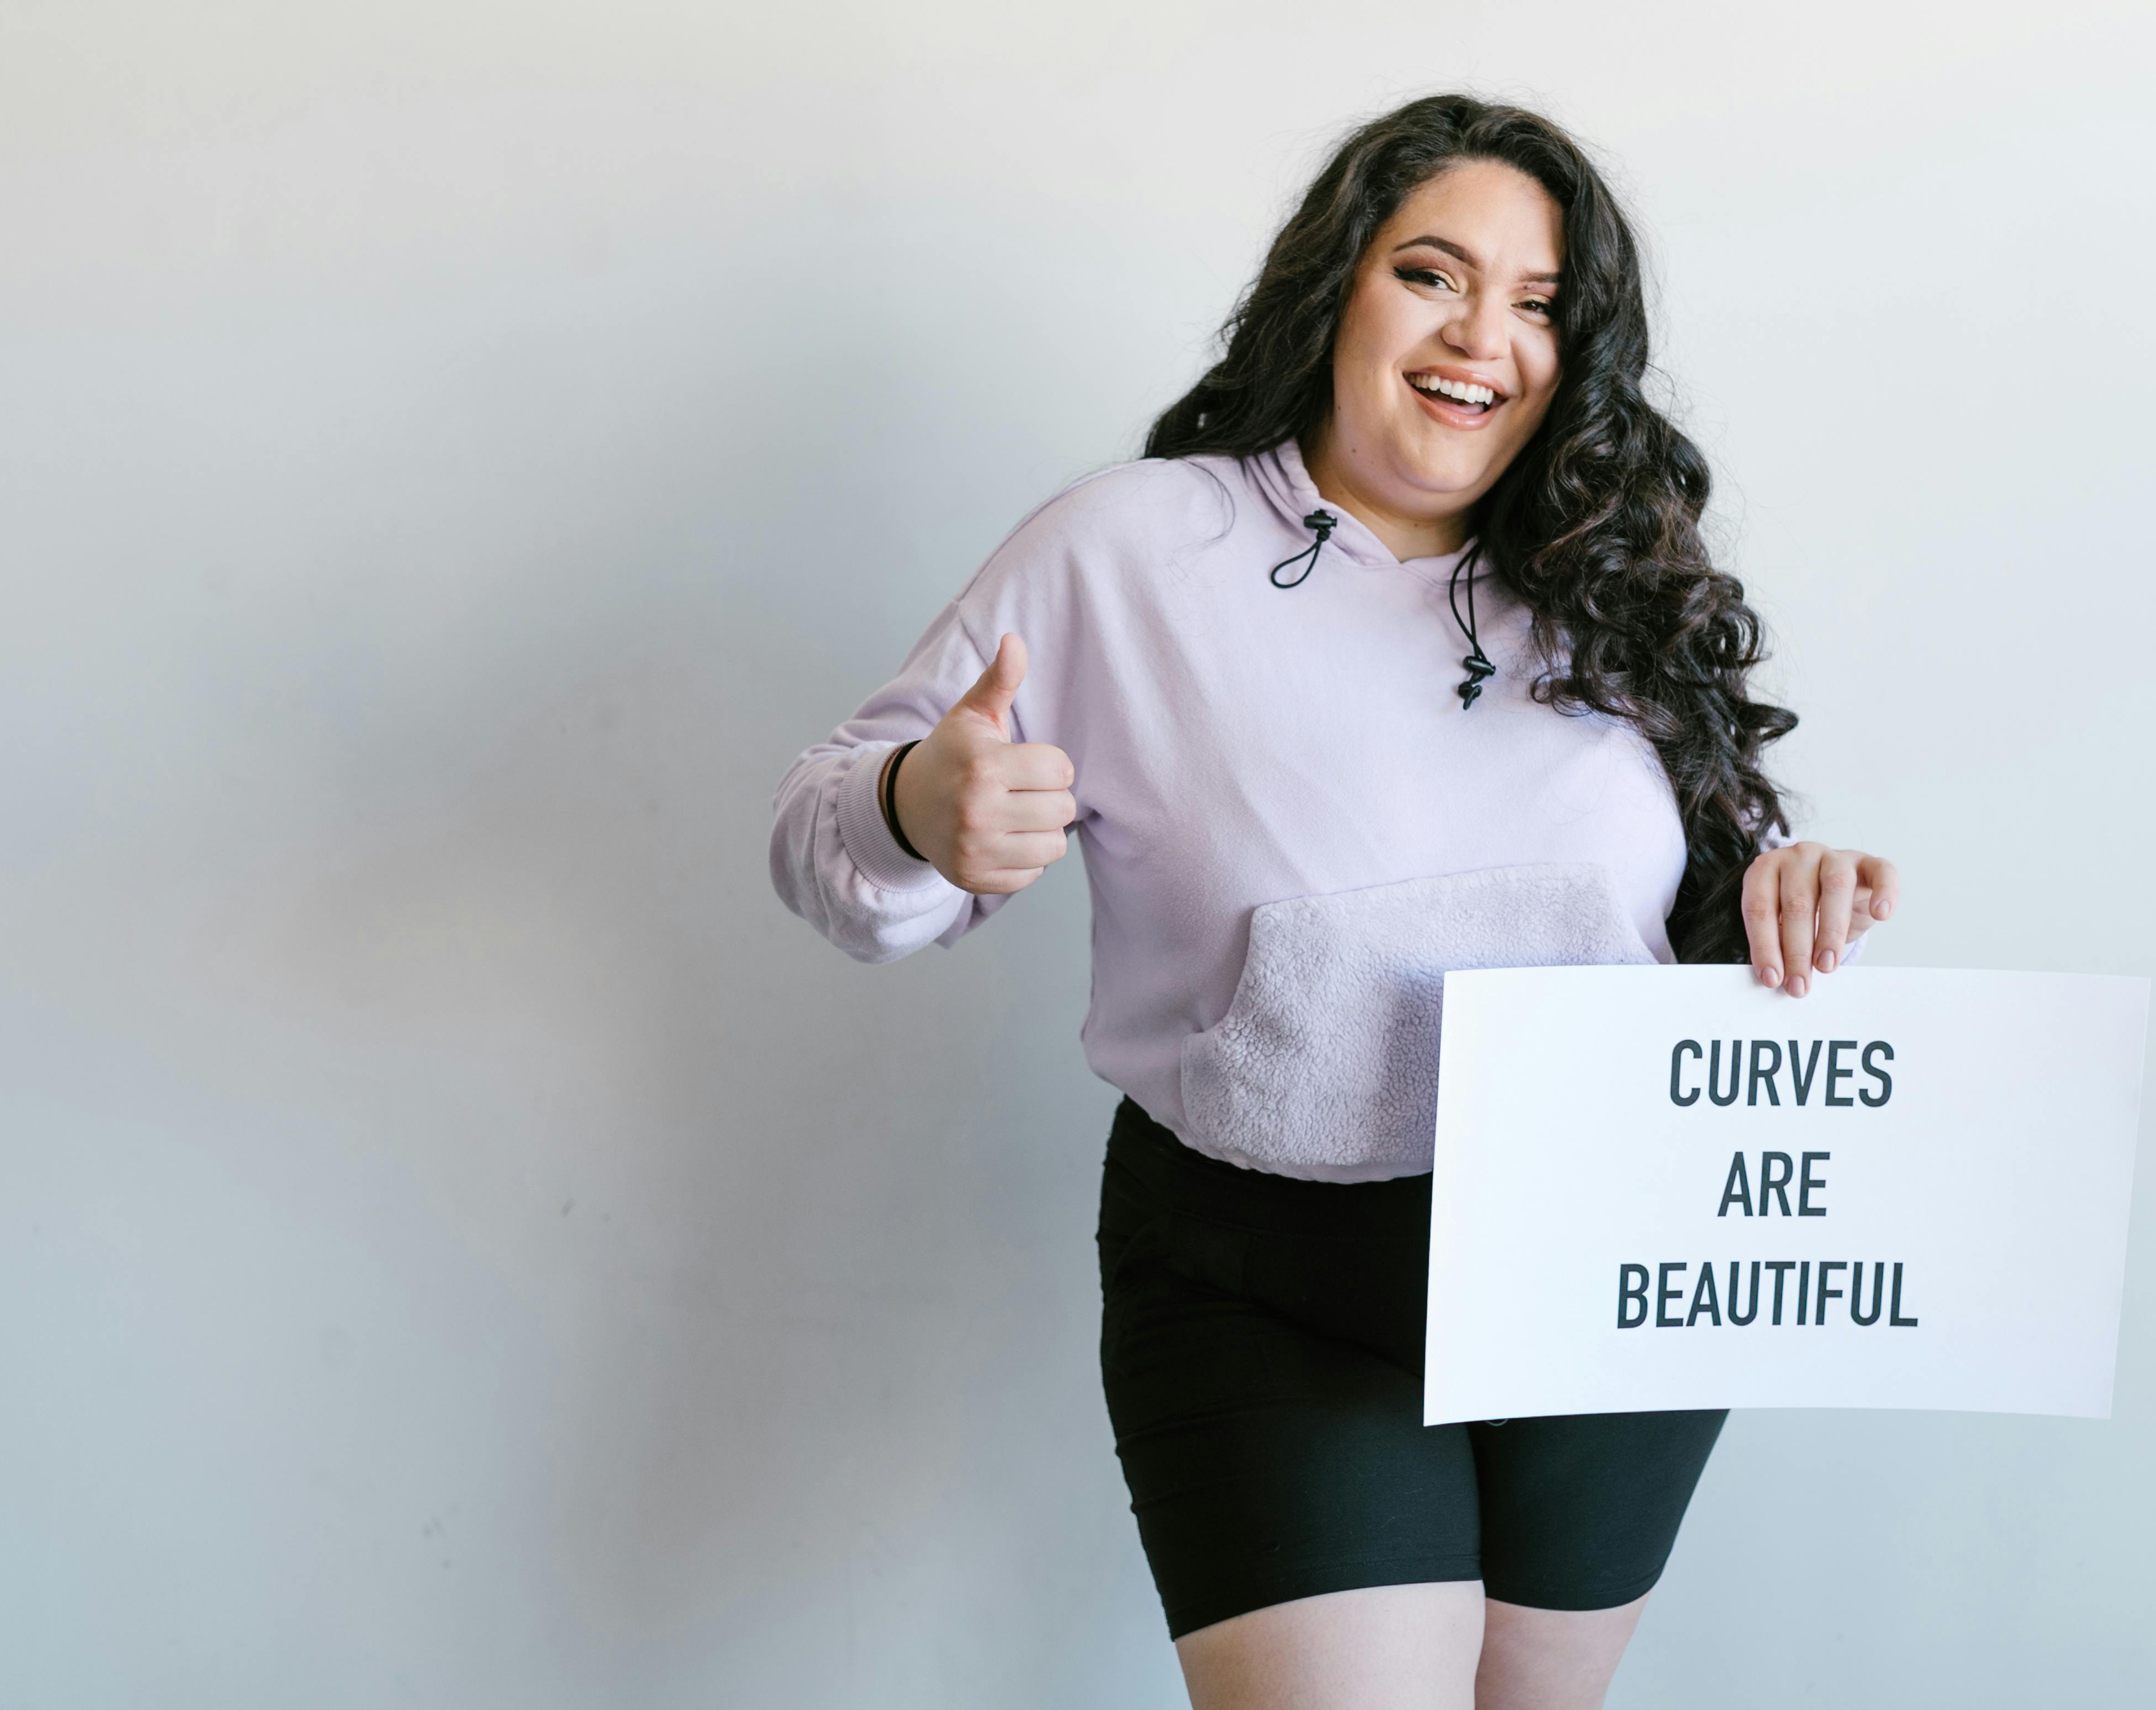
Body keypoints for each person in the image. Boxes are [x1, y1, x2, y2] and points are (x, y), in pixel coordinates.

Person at [771, 93, 1899, 1710]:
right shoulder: (1129, 551)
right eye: (1433, 274)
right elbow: (828, 833)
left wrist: (1777, 901)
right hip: (1267, 1276)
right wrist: (916, 807)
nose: (1481, 338)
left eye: (1536, 305)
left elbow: (1662, 918)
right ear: (1337, 288)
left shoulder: (1606, 574)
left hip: (1603, 1274)